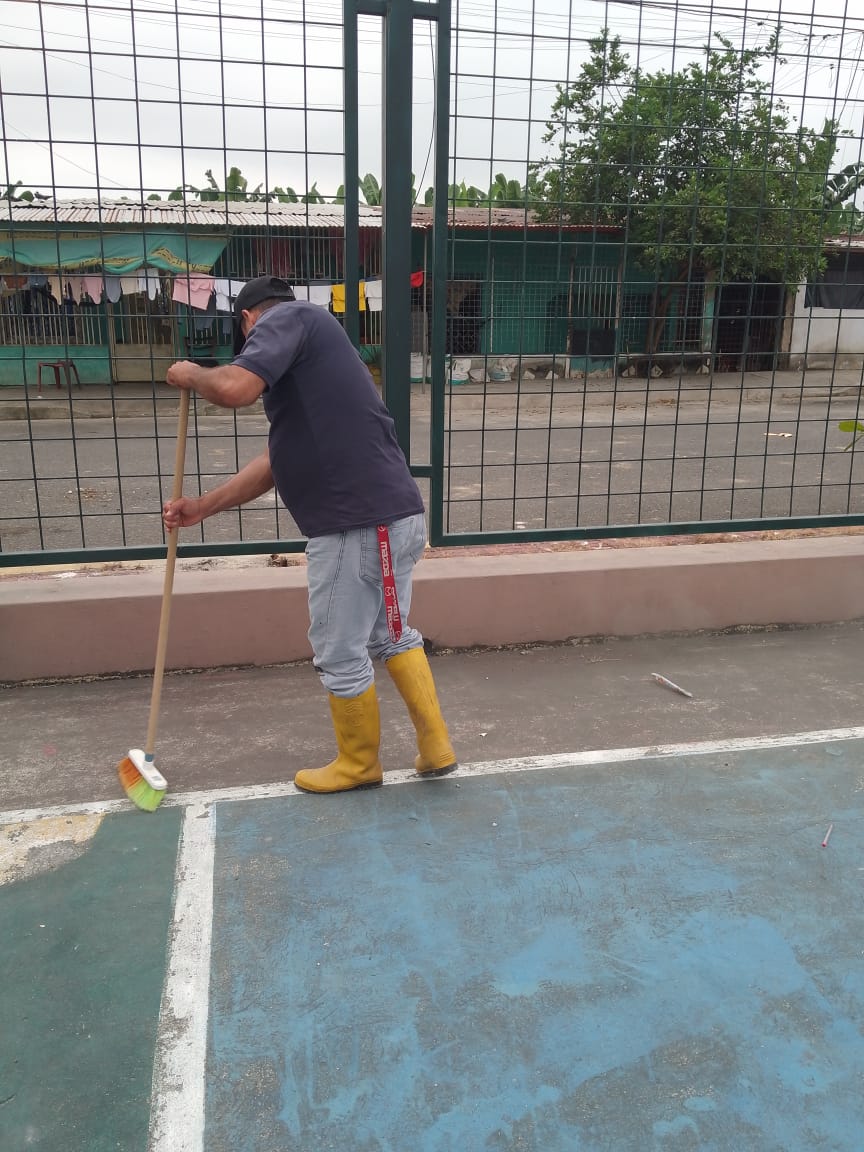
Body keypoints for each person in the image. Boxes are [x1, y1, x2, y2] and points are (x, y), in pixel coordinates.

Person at [162, 274, 457, 794]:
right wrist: (202, 508)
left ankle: (358, 763)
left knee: (339, 649)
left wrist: (190, 373)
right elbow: (275, 462)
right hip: (389, 518)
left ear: (248, 320)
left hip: (355, 525)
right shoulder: (315, 362)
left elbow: (235, 388)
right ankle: (436, 748)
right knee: (390, 634)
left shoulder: (288, 318)